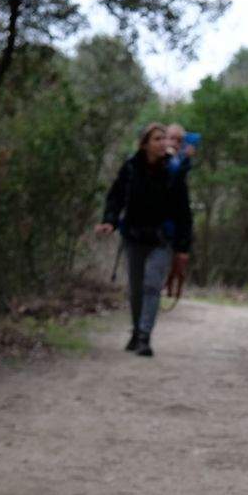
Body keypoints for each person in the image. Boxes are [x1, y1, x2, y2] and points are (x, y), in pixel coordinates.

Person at [95, 123, 192, 357]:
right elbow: (116, 197)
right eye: (157, 139)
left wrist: (183, 247)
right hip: (134, 235)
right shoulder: (130, 168)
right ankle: (136, 330)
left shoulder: (173, 171)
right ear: (145, 144)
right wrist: (110, 220)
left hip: (161, 238)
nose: (164, 143)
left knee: (152, 285)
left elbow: (183, 211)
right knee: (136, 288)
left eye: (164, 139)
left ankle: (144, 336)